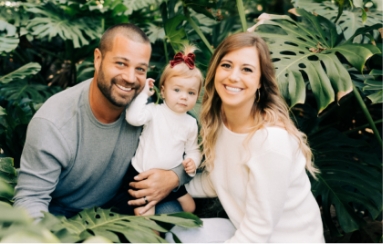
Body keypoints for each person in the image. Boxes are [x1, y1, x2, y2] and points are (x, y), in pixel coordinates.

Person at [13, 23, 189, 219]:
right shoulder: (54, 122)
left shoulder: (145, 110)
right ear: (98, 59)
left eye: (140, 69)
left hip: (119, 205)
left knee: (171, 212)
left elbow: (183, 148)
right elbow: (30, 199)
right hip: (64, 216)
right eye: (121, 63)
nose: (130, 78)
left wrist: (173, 177)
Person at [165, 32, 325, 242]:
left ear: (260, 82)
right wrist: (171, 183)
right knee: (177, 234)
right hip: (247, 231)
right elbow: (219, 179)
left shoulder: (270, 141)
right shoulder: (221, 122)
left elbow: (256, 234)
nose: (233, 76)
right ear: (215, 71)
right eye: (227, 65)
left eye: (247, 69)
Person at [123, 46, 203, 216]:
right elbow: (133, 118)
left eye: (191, 92)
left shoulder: (190, 123)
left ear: (197, 96)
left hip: (169, 178)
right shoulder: (154, 111)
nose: (184, 96)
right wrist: (144, 94)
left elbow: (193, 150)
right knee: (145, 214)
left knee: (191, 207)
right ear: (164, 91)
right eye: (177, 90)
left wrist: (193, 162)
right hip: (142, 176)